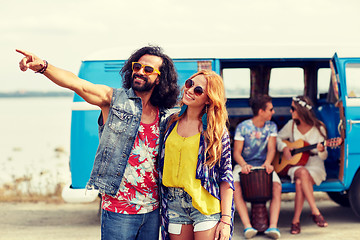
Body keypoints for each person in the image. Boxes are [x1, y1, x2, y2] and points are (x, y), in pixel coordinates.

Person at [17, 46, 180, 240]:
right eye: (137, 66)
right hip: (119, 210)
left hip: (152, 210)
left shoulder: (164, 114)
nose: (140, 72)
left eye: (148, 70)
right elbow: (77, 84)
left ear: (159, 78)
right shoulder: (113, 99)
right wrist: (43, 67)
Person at [158, 70, 234, 240]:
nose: (190, 90)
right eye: (189, 84)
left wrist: (226, 221)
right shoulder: (169, 123)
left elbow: (226, 177)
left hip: (205, 205)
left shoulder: (216, 132)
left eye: (198, 90)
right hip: (174, 203)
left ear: (208, 99)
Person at [232, 94, 282, 239]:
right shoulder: (243, 127)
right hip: (244, 163)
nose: (273, 112)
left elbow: (272, 149)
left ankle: (273, 226)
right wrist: (243, 165)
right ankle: (248, 226)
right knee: (235, 185)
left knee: (277, 186)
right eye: (270, 109)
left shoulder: (272, 126)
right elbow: (236, 153)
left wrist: (267, 163)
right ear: (261, 111)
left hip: (263, 164)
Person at [277, 96, 328, 234]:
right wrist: (284, 148)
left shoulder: (319, 128)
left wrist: (322, 150)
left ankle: (295, 221)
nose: (290, 111)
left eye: (293, 108)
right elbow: (277, 138)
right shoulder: (291, 125)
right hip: (295, 164)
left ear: (301, 110)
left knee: (300, 183)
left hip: (314, 164)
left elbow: (324, 156)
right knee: (302, 173)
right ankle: (315, 211)